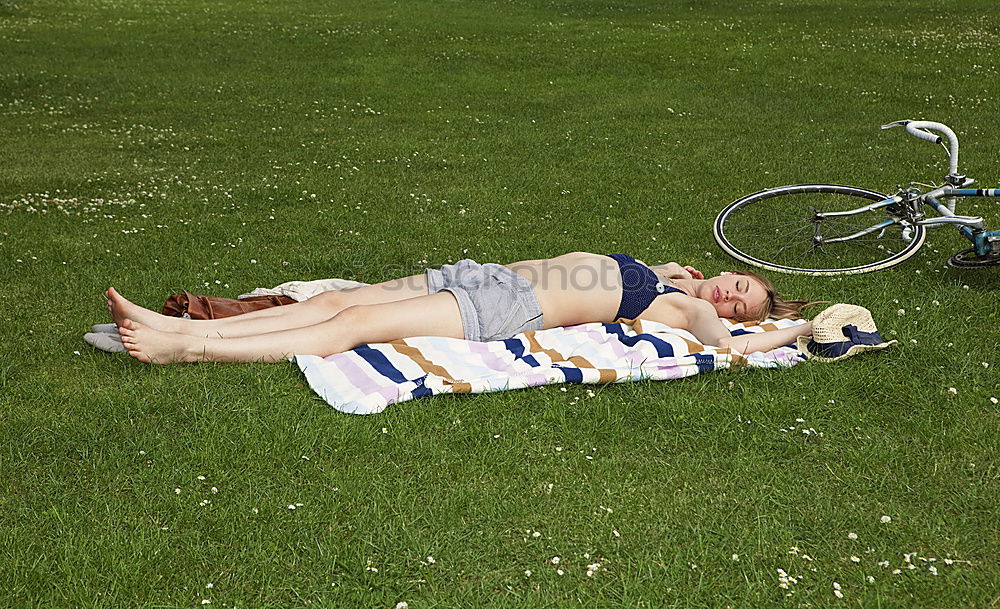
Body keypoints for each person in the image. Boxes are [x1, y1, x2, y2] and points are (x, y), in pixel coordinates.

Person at [106, 252, 814, 364]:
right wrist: (668, 270)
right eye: (736, 281)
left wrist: (796, 327)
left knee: (351, 326)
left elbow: (724, 343)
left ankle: (186, 348)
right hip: (482, 274)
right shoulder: (666, 275)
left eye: (742, 302)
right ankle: (174, 322)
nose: (729, 294)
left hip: (514, 308)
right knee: (333, 298)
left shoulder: (684, 312)